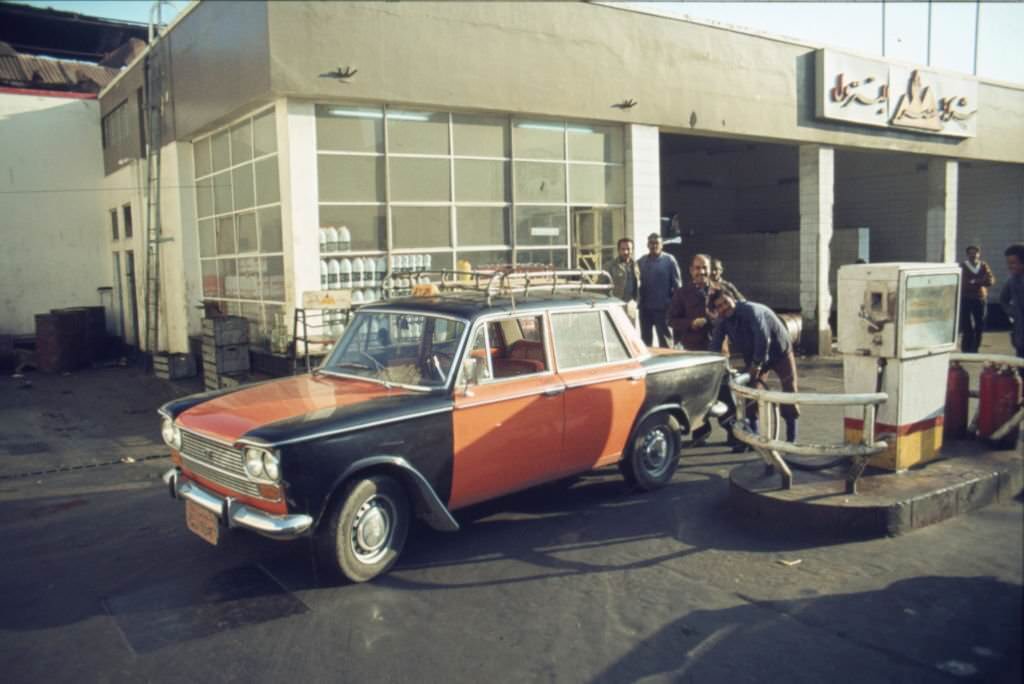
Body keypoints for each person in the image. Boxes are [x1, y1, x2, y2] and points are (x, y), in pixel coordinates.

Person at [710, 291, 800, 444]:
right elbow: (715, 346)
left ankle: (791, 438)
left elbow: (762, 338)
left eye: (725, 302)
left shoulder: (751, 311)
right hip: (753, 355)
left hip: (779, 351)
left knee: (789, 389)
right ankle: (754, 436)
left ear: (733, 299)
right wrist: (711, 367)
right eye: (719, 306)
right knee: (752, 392)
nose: (724, 307)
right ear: (716, 311)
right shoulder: (722, 321)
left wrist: (756, 365)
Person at [637, 232, 682, 347]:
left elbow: (677, 285)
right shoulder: (641, 261)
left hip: (663, 309)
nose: (654, 246)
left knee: (665, 341)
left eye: (657, 243)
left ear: (662, 245)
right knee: (645, 342)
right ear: (647, 245)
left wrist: (675, 305)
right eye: (651, 243)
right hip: (645, 309)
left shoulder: (669, 261)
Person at [668, 254, 716, 351]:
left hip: (716, 346)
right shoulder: (682, 293)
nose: (701, 272)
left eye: (705, 268)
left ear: (710, 270)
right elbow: (671, 320)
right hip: (692, 347)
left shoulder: (720, 290)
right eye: (697, 268)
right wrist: (691, 323)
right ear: (691, 270)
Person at [959, 245, 995, 354]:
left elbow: (990, 280)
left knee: (980, 324)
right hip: (966, 298)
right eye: (971, 253)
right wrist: (980, 281)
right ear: (967, 254)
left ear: (979, 254)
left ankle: (975, 347)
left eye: (975, 253)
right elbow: (964, 283)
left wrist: (974, 281)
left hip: (980, 298)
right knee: (966, 324)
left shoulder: (983, 265)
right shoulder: (963, 266)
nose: (973, 255)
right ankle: (966, 348)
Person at [1000, 243, 1024, 367]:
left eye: (1013, 263)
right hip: (1020, 335)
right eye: (1008, 263)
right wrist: (1013, 312)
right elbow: (1003, 299)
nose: (1010, 266)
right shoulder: (1012, 280)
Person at [608, 237, 640, 322]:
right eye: (623, 249)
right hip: (616, 305)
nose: (626, 252)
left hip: (631, 305)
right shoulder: (610, 266)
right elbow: (601, 288)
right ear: (618, 250)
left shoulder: (637, 265)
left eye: (628, 249)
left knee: (630, 331)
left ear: (632, 250)